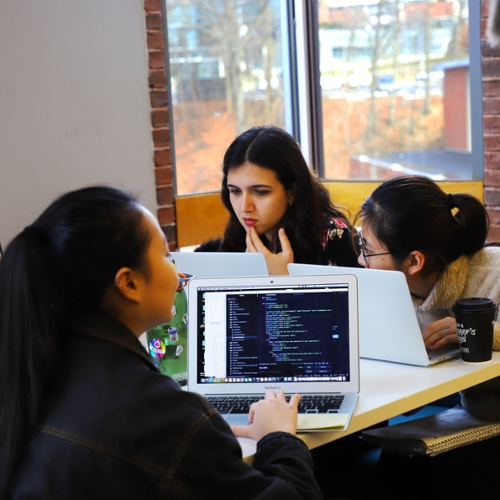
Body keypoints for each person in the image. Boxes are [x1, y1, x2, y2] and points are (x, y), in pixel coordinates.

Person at [0, 186, 322, 499]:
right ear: (128, 283)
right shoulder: (165, 418)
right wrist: (278, 437)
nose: (177, 275)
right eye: (167, 258)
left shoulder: (29, 371)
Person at [353, 174, 500, 498]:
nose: (360, 260)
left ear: (414, 261)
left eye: (368, 250)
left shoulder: (493, 273)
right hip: (474, 417)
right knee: (395, 461)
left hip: (491, 423)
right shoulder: (398, 292)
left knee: (435, 473)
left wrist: (482, 333)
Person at [197, 126, 359, 274]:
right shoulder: (236, 237)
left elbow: (355, 304)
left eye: (260, 192)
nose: (244, 207)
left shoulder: (335, 237)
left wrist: (281, 279)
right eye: (235, 191)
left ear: (292, 191)